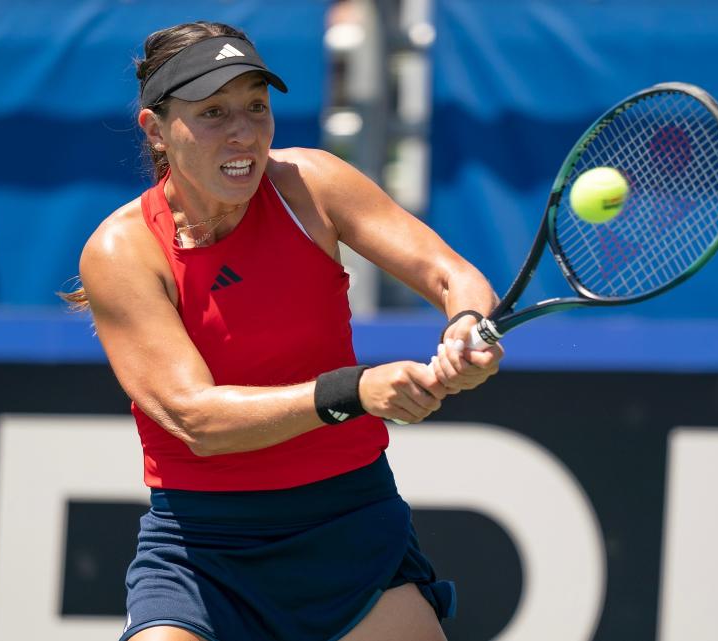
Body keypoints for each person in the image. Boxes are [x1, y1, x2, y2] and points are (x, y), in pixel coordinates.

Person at [67, 20, 503, 641]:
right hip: (203, 552)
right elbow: (197, 420)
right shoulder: (122, 251)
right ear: (157, 130)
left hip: (350, 531)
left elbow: (449, 274)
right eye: (213, 111)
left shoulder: (311, 185)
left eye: (256, 106)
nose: (243, 130)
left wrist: (465, 325)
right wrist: (354, 391)